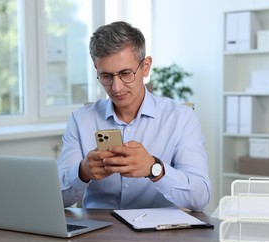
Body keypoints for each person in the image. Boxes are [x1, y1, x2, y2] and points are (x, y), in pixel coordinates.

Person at [57, 21, 210, 212]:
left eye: (125, 73)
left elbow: (200, 198)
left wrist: (154, 169)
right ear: (97, 69)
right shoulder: (80, 120)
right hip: (98, 235)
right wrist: (82, 172)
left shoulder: (181, 118)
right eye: (106, 76)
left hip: (158, 235)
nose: (116, 87)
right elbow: (56, 200)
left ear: (145, 67)